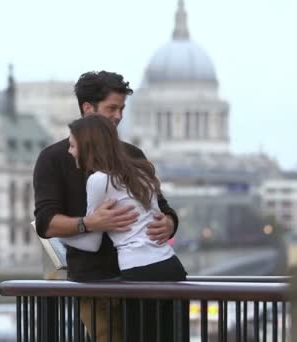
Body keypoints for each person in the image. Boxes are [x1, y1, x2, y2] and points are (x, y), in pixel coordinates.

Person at [33, 71, 182, 341]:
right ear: (87, 109)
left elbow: (162, 207)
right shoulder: (53, 159)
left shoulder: (134, 155)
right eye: (112, 108)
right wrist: (90, 223)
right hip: (95, 282)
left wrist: (169, 223)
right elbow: (45, 222)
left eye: (122, 109)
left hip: (143, 277)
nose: (119, 116)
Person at [61, 114, 187, 282]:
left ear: (86, 147)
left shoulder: (98, 180)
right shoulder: (139, 172)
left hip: (138, 268)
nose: (69, 151)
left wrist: (57, 236)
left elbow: (92, 243)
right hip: (170, 263)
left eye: (72, 146)